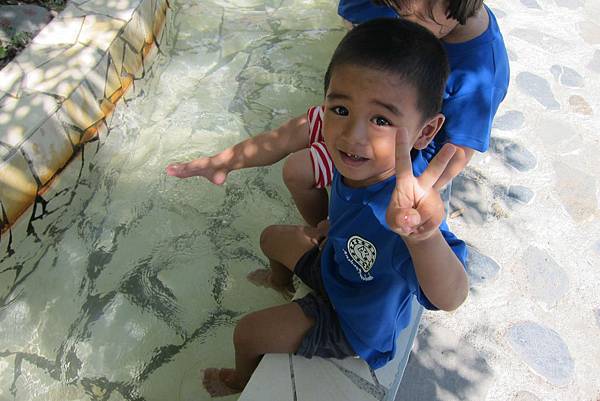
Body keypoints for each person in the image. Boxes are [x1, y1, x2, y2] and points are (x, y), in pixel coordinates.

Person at [200, 18, 469, 397]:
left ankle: (240, 382)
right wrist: (335, 229)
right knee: (270, 239)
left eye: (381, 120)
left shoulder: (406, 213)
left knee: (246, 334)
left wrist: (423, 238)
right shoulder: (359, 158)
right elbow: (283, 141)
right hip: (336, 262)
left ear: (425, 132)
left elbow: (452, 296)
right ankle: (279, 283)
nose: (352, 135)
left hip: (354, 322)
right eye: (340, 109)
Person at [166, 0, 510, 228]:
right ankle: (222, 164)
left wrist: (417, 191)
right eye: (400, 12)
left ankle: (329, 229)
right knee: (295, 130)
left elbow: (458, 150)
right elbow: (355, 17)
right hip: (366, 107)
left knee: (298, 169)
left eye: (419, 17)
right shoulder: (423, 6)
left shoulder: (480, 70)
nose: (408, 24)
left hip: (400, 150)